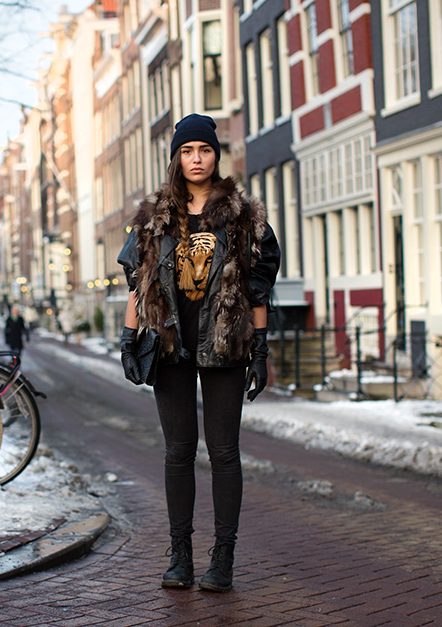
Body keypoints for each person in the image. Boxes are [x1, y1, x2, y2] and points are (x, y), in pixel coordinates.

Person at [117, 113, 281, 593]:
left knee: (225, 452)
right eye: (187, 151)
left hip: (226, 343)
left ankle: (223, 559)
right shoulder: (154, 216)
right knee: (178, 451)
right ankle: (180, 556)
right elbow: (138, 282)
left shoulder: (244, 216)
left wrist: (260, 349)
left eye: (204, 151)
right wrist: (129, 339)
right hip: (169, 345)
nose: (196, 159)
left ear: (216, 156)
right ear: (176, 157)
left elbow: (257, 289)